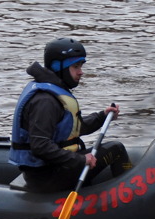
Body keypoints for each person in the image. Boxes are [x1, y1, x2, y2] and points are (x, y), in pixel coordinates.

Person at [9, 37, 132, 192]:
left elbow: (72, 128)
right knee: (116, 148)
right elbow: (40, 146)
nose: (81, 72)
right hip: (47, 177)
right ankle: (130, 194)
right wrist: (80, 159)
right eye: (76, 66)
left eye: (81, 66)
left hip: (53, 168)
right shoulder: (45, 101)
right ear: (57, 67)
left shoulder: (53, 94)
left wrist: (102, 116)